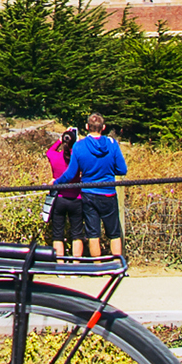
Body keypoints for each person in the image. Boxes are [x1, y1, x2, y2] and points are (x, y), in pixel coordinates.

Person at [62, 111, 128, 261]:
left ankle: (97, 266)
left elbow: (71, 173)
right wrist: (109, 169)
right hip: (108, 192)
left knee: (93, 233)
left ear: (87, 126)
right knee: (114, 233)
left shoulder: (79, 146)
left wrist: (58, 182)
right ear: (103, 127)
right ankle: (117, 265)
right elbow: (122, 169)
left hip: (89, 192)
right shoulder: (112, 144)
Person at [44, 125, 83, 259]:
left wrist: (59, 140)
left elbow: (49, 152)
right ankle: (76, 266)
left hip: (59, 197)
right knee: (77, 234)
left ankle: (60, 264)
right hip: (76, 197)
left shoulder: (55, 157)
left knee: (58, 234)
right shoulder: (77, 157)